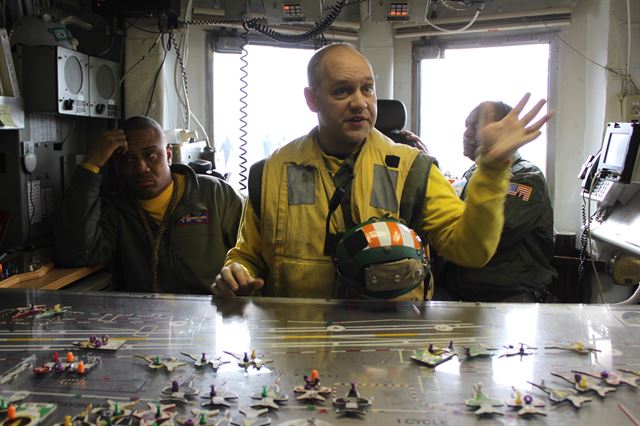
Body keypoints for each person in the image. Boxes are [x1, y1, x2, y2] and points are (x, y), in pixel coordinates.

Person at [212, 43, 552, 300]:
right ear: (312, 99)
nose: (360, 102)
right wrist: (236, 273)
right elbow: (248, 255)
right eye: (342, 91)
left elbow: (472, 250)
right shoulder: (270, 173)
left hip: (391, 342)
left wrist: (492, 169)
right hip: (297, 343)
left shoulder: (412, 169)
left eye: (367, 88)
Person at [54, 116, 243, 294]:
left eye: (151, 155)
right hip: (148, 321)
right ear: (117, 166)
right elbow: (77, 253)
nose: (141, 168)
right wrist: (91, 166)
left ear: (169, 155)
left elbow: (252, 256)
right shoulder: (115, 208)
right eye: (128, 159)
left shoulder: (215, 194)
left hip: (212, 314)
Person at [436, 101, 557, 302]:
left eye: (475, 126)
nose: (466, 133)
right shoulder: (473, 173)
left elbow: (498, 231)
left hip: (506, 291)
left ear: (505, 131)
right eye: (466, 126)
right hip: (460, 289)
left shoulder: (526, 177)